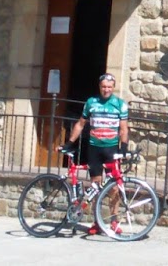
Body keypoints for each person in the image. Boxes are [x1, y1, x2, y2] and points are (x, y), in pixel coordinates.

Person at [61, 73, 130, 236]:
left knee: (114, 189)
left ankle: (113, 221)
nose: (106, 89)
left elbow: (124, 128)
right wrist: (69, 143)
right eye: (103, 86)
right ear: (100, 87)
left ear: (113, 88)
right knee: (95, 187)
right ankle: (97, 222)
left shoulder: (120, 104)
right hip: (94, 149)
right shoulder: (91, 103)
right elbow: (80, 124)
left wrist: (124, 148)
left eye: (109, 87)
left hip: (111, 149)